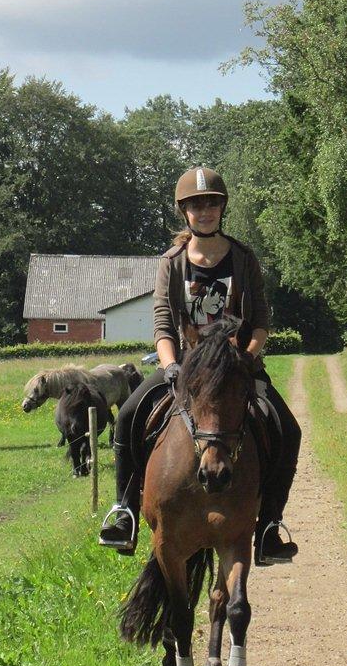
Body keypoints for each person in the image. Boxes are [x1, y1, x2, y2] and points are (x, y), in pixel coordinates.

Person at [98, 166, 301, 565]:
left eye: (211, 203)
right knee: (125, 416)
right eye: (196, 205)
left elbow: (259, 318)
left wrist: (246, 357)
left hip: (237, 367)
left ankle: (269, 525)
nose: (204, 211)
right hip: (185, 367)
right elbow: (161, 322)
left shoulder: (243, 259)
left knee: (288, 429)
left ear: (222, 208)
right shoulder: (172, 262)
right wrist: (172, 366)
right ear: (184, 212)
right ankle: (124, 512)